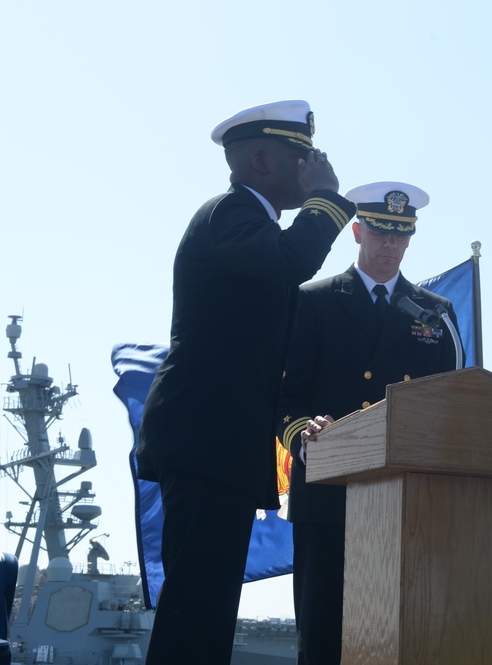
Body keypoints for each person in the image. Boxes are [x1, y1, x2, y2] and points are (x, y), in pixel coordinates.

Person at [136, 100, 355, 665]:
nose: (312, 167)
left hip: (220, 443)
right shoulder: (231, 214)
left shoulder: (251, 223)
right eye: (301, 157)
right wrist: (327, 198)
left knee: (206, 611)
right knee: (196, 611)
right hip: (206, 440)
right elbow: (292, 261)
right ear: (260, 160)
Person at [278, 181, 461, 665]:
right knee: (323, 641)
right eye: (381, 234)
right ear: (357, 231)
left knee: (396, 640)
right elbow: (285, 395)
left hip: (403, 501)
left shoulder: (434, 314)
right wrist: (305, 437)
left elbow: (449, 403)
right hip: (328, 496)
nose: (391, 246)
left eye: (401, 237)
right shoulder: (312, 301)